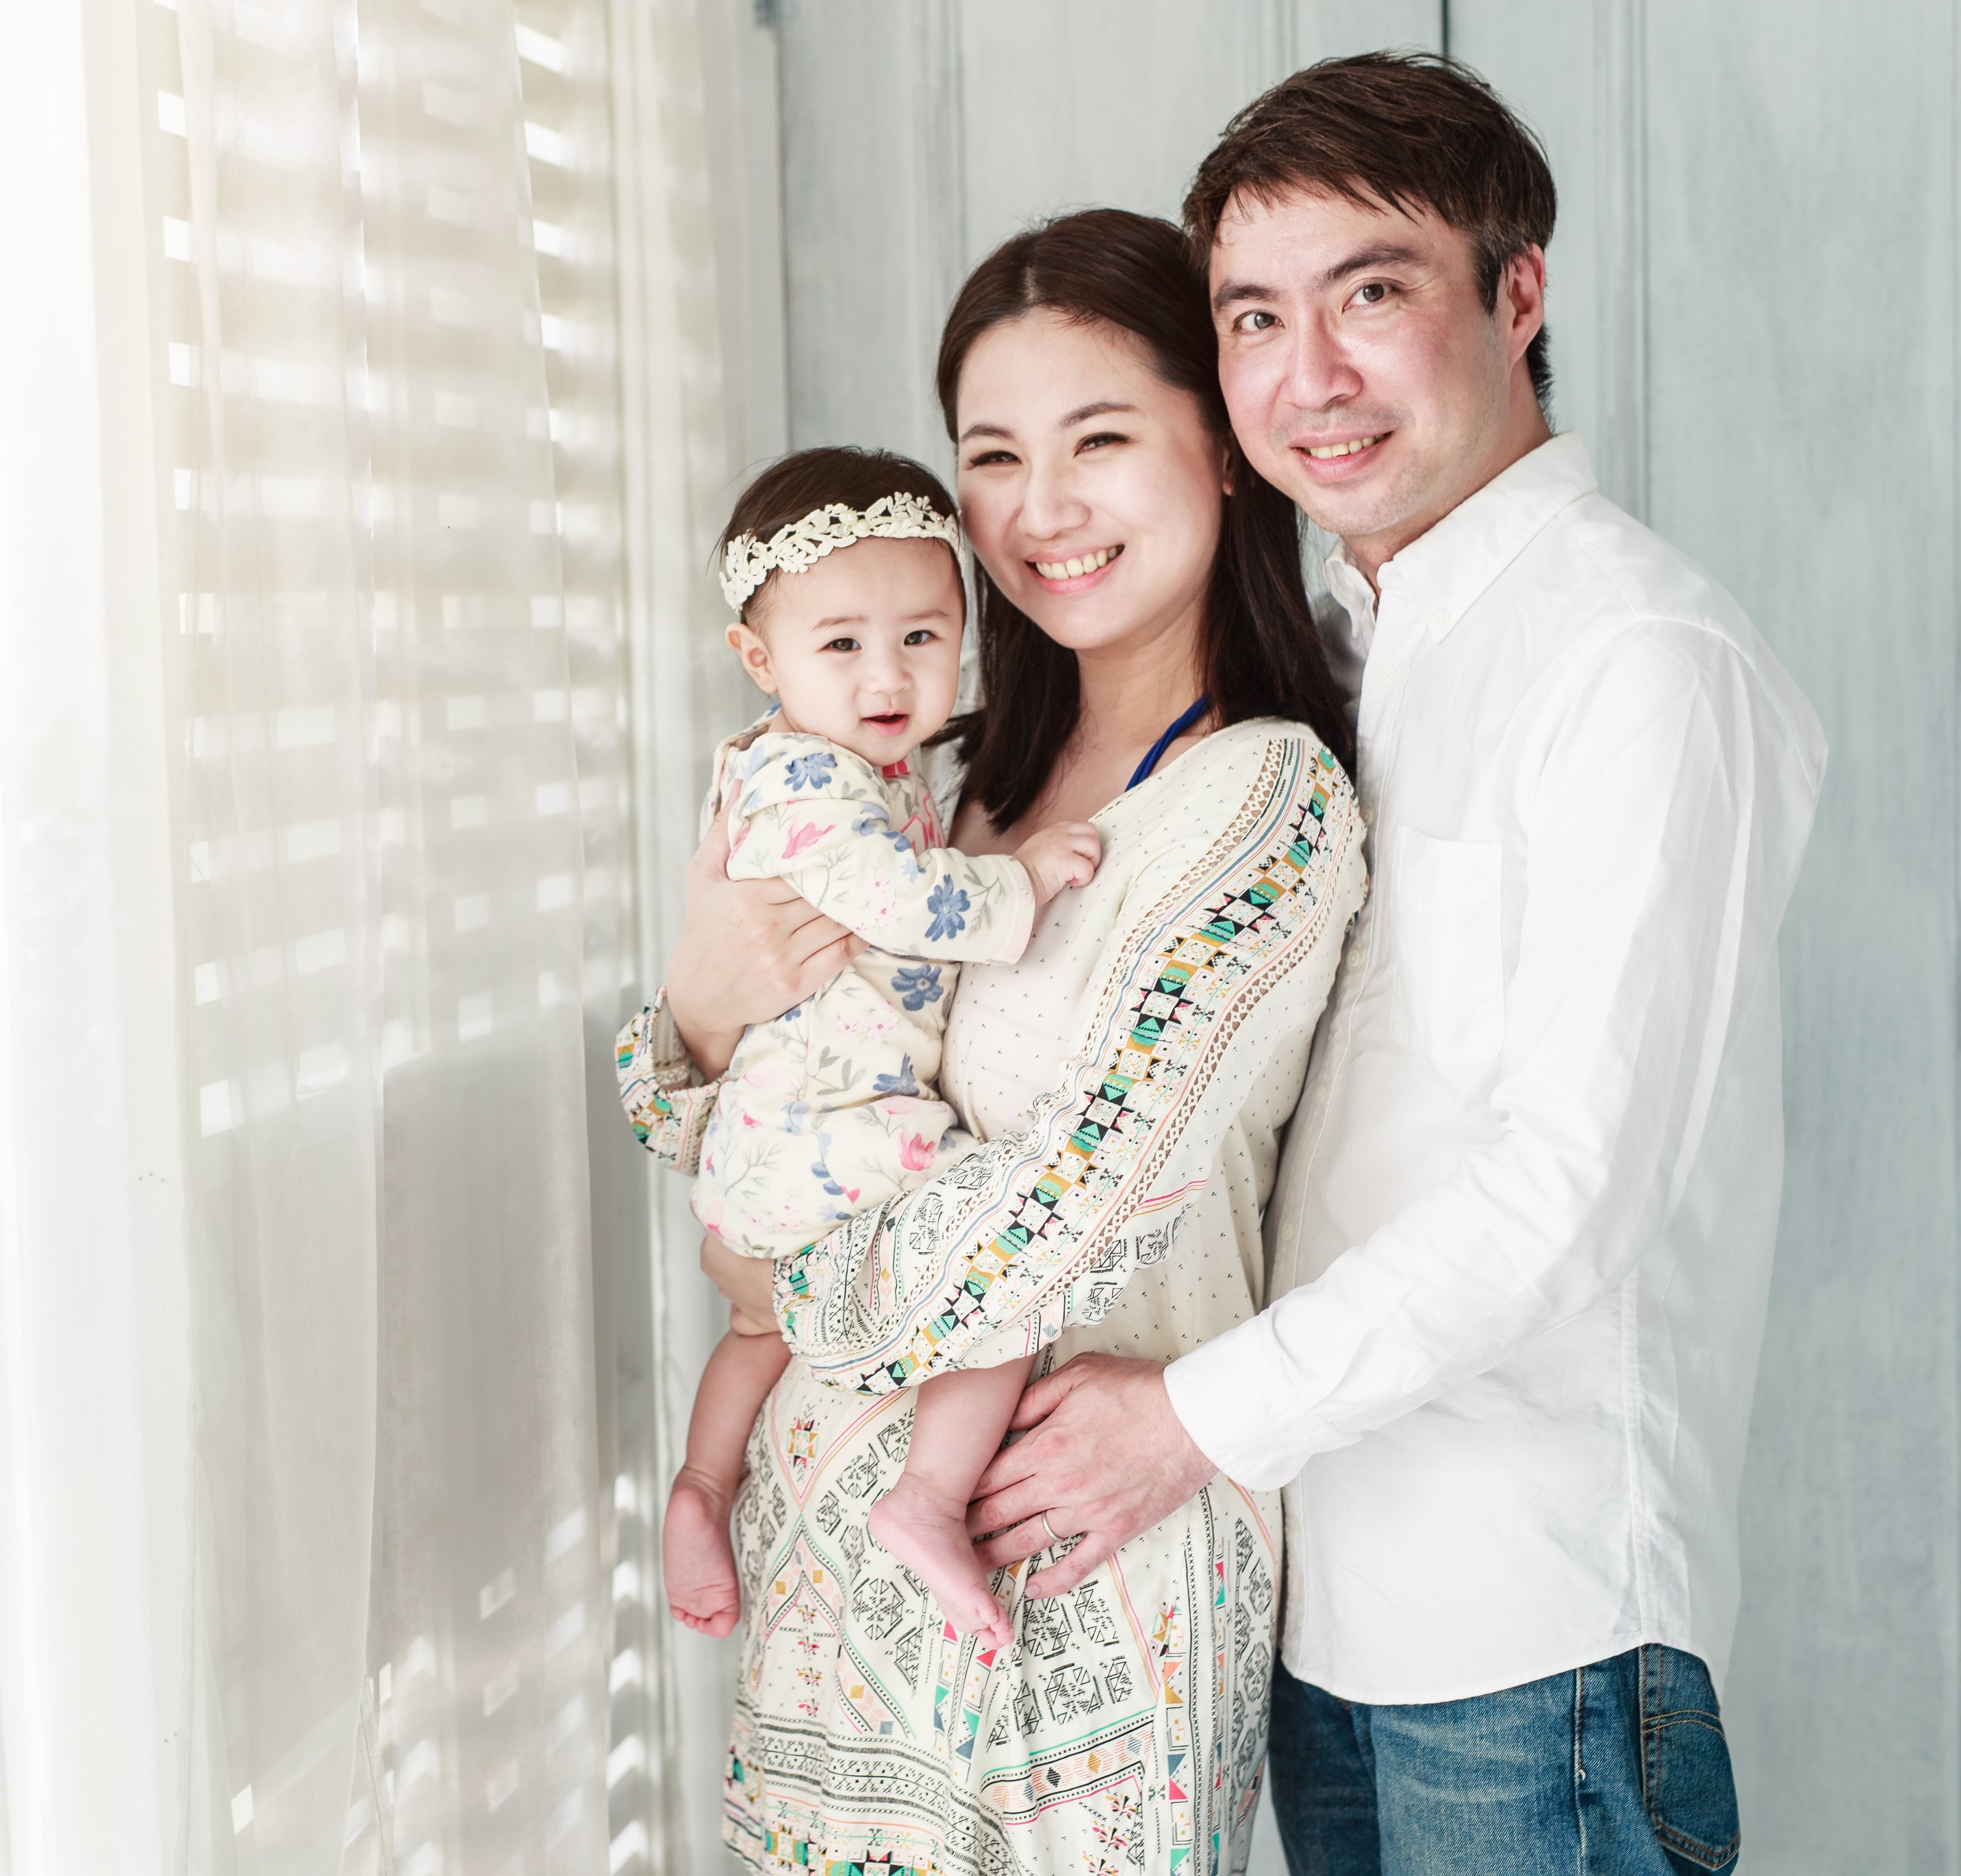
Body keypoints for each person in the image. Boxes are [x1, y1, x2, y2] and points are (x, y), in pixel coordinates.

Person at [956, 55, 1826, 1874]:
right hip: (1319, 1602)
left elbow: (1572, 1190)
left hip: (1533, 1623)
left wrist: (1184, 1423)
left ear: (1518, 294)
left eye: (1371, 293)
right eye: (1253, 319)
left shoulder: (1635, 659)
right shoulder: (1343, 655)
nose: (1310, 377)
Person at [618, 209, 1363, 1871]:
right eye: (995, 458)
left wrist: (776, 1278)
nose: (1042, 508)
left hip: (1064, 1605)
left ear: (1223, 444)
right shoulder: (939, 792)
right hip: (827, 1600)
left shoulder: (1258, 801)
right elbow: (751, 1103)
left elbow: (1081, 1201)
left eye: (1099, 441)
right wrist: (700, 1013)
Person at [652, 446, 1106, 1649]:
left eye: (921, 635)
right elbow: (902, 904)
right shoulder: (810, 782)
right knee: (1005, 1277)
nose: (888, 674)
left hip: (779, 1133)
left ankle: (700, 1484)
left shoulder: (854, 764)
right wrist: (1020, 881)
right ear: (760, 659)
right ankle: (930, 1498)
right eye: (842, 643)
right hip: (840, 1126)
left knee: (756, 1330)